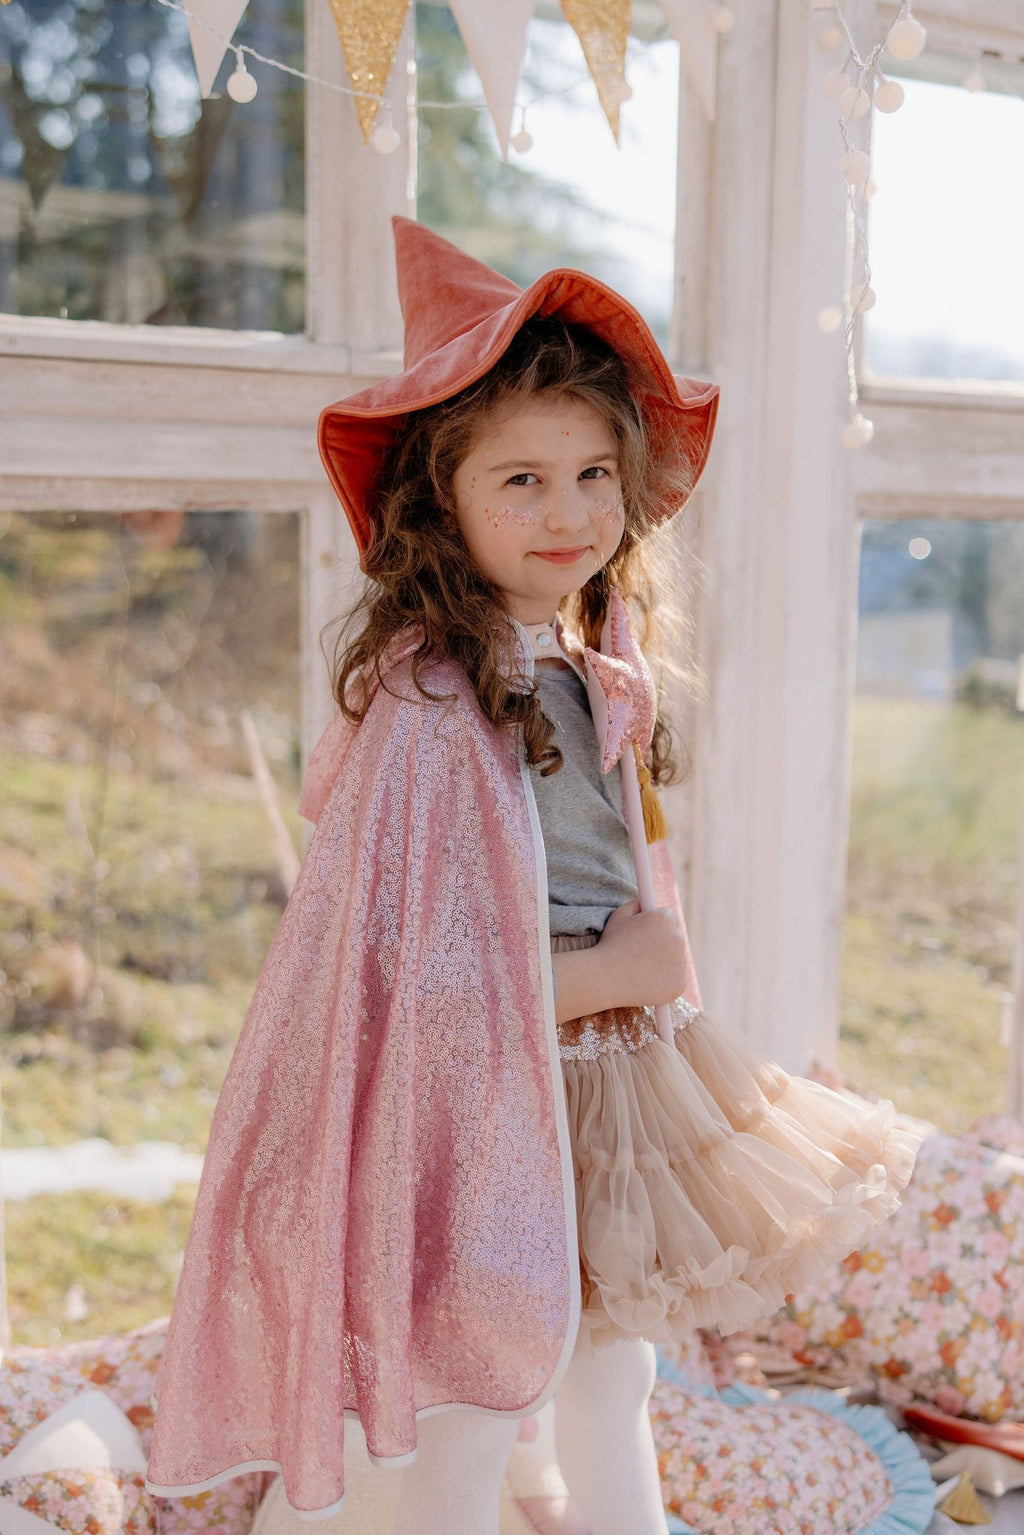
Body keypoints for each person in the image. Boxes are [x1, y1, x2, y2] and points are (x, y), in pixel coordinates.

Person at [145, 218, 919, 1535]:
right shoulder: (432, 700)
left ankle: (566, 1503)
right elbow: (415, 988)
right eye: (522, 482)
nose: (569, 513)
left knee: (608, 1361)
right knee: (473, 1381)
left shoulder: (580, 651)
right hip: (480, 1107)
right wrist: (619, 966)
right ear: (438, 499)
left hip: (614, 1083)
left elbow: (604, 854)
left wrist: (646, 959)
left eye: (593, 474)